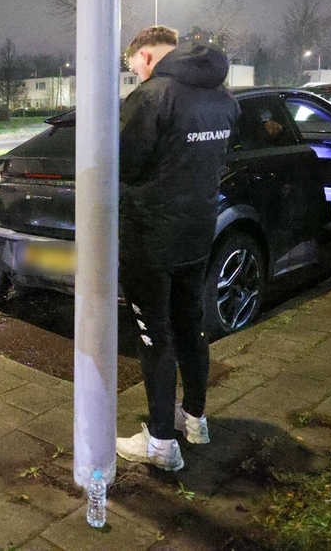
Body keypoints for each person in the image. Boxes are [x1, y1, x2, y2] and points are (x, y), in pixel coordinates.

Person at [115, 26, 240, 471]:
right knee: (192, 325)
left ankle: (161, 444)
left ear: (147, 57)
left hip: (150, 239)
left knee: (156, 337)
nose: (135, 74)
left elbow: (124, 166)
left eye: (134, 67)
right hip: (197, 233)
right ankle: (196, 420)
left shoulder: (152, 98)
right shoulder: (223, 99)